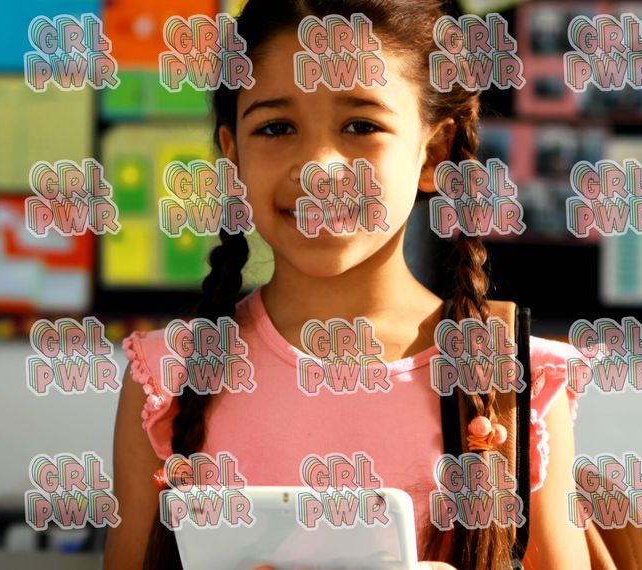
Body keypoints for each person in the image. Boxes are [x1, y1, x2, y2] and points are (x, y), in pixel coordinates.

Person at [106, 1, 592, 568]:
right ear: (233, 156)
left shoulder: (509, 377)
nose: (318, 167)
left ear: (434, 152)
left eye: (361, 125)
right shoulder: (168, 376)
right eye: (276, 127)